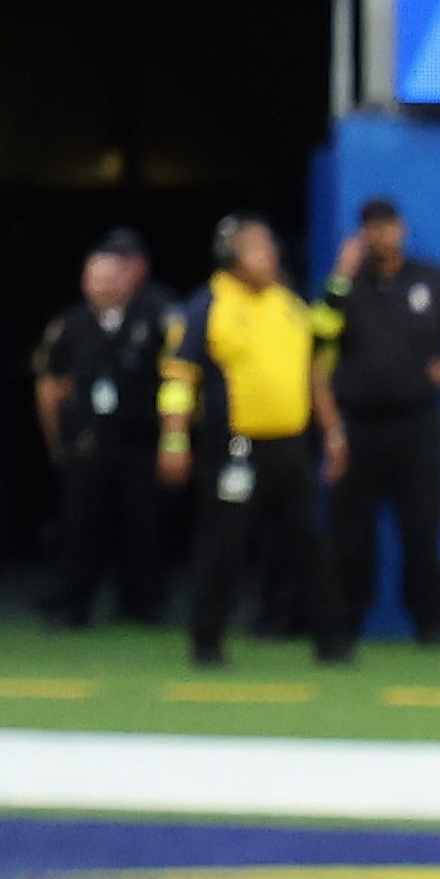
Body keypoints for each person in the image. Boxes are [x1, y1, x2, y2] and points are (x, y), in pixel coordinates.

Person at [157, 215, 355, 668]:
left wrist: (333, 432)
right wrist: (173, 440)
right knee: (223, 546)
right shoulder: (206, 306)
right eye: (256, 249)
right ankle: (207, 643)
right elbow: (177, 377)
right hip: (234, 448)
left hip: (288, 447)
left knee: (309, 543)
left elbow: (315, 355)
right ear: (231, 257)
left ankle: (332, 641)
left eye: (270, 248)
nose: (269, 257)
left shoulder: (287, 303)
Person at [321, 197, 440, 646]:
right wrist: (340, 274)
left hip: (417, 426)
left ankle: (431, 624)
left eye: (387, 226)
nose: (380, 235)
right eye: (370, 227)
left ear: (403, 229)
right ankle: (347, 621)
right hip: (357, 427)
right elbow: (318, 337)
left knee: (421, 529)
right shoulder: (346, 287)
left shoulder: (432, 280)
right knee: (352, 533)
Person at [32, 227, 169, 630]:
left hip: (138, 439)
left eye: (113, 278)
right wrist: (56, 442)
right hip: (87, 442)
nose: (105, 287)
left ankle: (142, 603)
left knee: (142, 523)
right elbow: (48, 386)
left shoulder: (152, 322)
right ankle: (74, 603)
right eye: (97, 279)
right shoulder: (70, 326)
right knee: (81, 524)